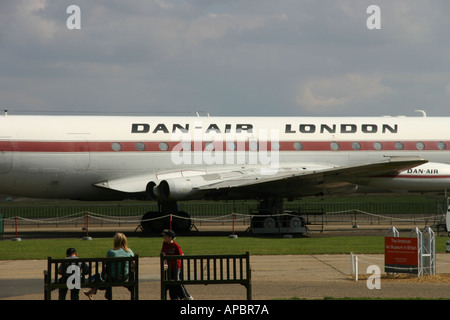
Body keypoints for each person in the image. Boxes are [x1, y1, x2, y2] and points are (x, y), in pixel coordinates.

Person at [84, 232, 135, 300]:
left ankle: (100, 292)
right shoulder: (130, 252)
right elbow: (134, 265)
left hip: (112, 278)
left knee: (106, 273)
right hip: (125, 277)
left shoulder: (111, 252)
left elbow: (106, 264)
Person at [161, 229, 193, 300]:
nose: (164, 237)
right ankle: (174, 297)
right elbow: (163, 253)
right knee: (172, 282)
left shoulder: (176, 245)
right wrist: (165, 263)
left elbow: (181, 255)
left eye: (165, 236)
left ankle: (186, 296)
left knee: (177, 281)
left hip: (176, 266)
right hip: (169, 267)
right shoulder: (165, 243)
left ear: (170, 238)